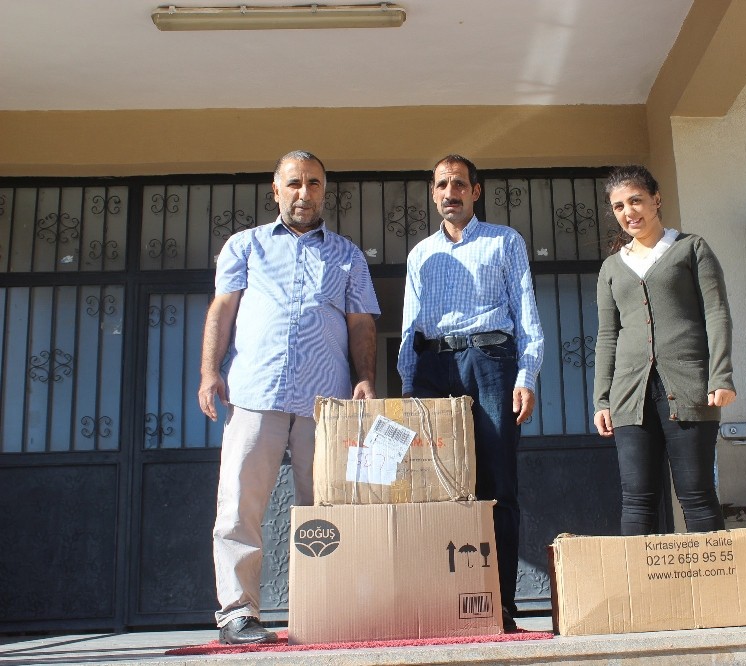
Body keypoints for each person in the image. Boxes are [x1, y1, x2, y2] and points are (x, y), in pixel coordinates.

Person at [199, 150, 380, 645]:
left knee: (326, 505)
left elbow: (361, 322)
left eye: (315, 184)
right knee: (240, 502)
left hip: (327, 402)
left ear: (325, 190)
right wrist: (210, 370)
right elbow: (223, 307)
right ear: (276, 189)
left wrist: (365, 378)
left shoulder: (347, 254)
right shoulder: (245, 246)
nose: (305, 193)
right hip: (256, 391)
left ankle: (325, 607)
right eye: (295, 183)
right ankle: (238, 612)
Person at [398, 154, 544, 632]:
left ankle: (498, 605)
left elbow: (526, 310)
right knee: (436, 486)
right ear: (433, 192)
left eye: (459, 183)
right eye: (441, 184)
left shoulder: (505, 241)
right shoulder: (421, 254)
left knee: (497, 484)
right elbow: (409, 325)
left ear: (476, 191)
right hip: (433, 368)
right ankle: (445, 602)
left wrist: (527, 375)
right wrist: (407, 388)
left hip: (490, 364)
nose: (450, 192)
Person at [593, 165, 735, 538]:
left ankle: (715, 593)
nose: (629, 212)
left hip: (689, 386)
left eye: (636, 200)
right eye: (619, 206)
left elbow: (716, 313)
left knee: (697, 495)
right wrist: (602, 399)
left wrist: (721, 375)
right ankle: (641, 595)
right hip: (629, 394)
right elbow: (608, 335)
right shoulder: (612, 268)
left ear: (656, 199)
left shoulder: (691, 248)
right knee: (636, 499)